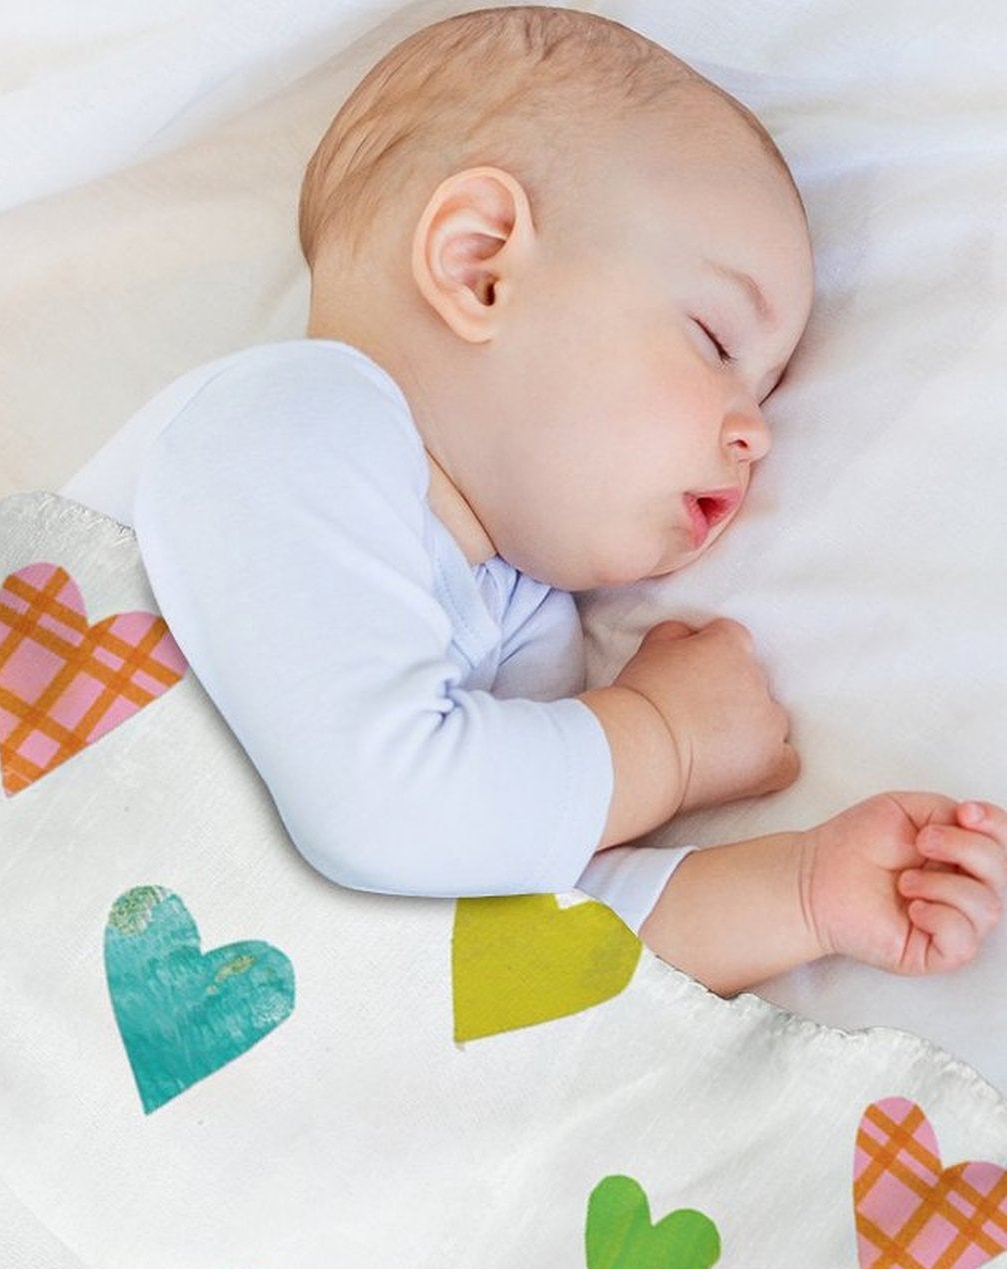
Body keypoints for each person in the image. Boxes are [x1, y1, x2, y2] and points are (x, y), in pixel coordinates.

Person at [62, 5, 1005, 997]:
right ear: (480, 268)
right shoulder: (288, 422)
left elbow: (491, 959)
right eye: (717, 344)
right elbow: (386, 806)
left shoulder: (519, 623)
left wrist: (804, 893)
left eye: (767, 392)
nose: (755, 431)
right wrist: (662, 741)